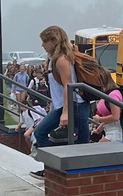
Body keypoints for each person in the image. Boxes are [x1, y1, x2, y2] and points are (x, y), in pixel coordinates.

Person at [28, 26, 91, 179]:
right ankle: (53, 169)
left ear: (53, 41)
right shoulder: (53, 59)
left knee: (81, 143)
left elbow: (67, 86)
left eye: (44, 41)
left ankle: (68, 173)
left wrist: (65, 112)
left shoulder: (62, 60)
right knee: (41, 133)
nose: (42, 45)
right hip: (63, 105)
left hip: (75, 105)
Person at [92, 75, 123, 143]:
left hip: (117, 133)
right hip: (111, 131)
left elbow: (115, 117)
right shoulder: (108, 94)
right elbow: (109, 117)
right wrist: (98, 130)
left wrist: (99, 119)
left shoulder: (113, 95)